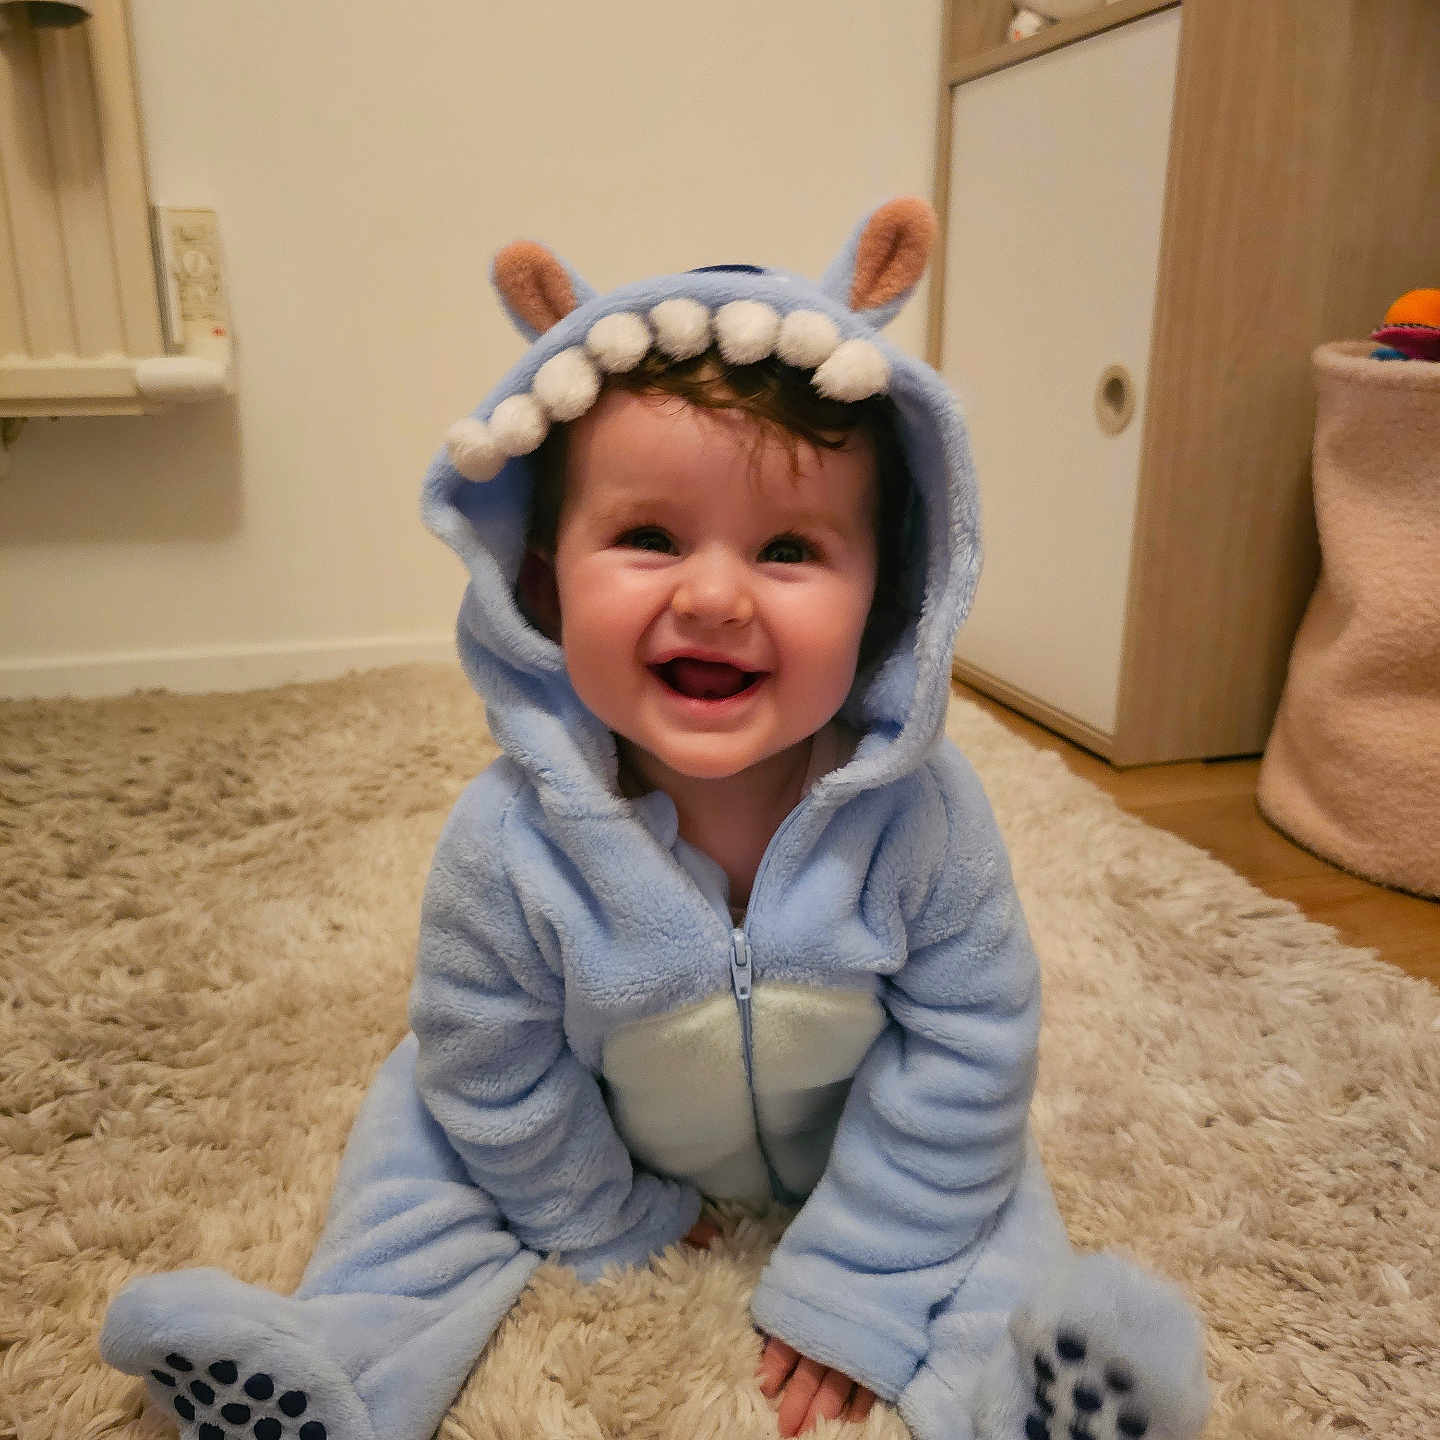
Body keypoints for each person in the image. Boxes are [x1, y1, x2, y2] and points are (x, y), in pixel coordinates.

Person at [101, 199, 1210, 1440]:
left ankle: (1024, 1402)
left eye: (790, 548)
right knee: (421, 1121)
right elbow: (495, 1060)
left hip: (856, 1128)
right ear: (540, 577)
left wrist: (859, 1278)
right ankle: (338, 1366)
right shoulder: (510, 843)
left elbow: (969, 1046)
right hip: (592, 1121)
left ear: (885, 594)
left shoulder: (922, 822)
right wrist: (596, 1212)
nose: (717, 595)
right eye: (646, 537)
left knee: (992, 1174)